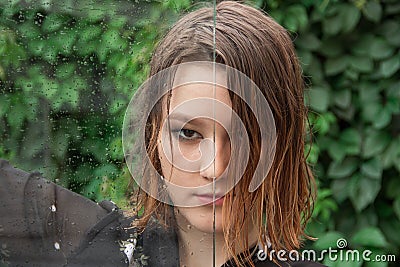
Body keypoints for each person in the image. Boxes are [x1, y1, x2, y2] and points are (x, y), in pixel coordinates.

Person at [0, 1, 325, 267]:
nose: (215, 169)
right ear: (154, 135)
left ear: (282, 141)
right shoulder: (101, 247)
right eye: (188, 133)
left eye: (244, 137)